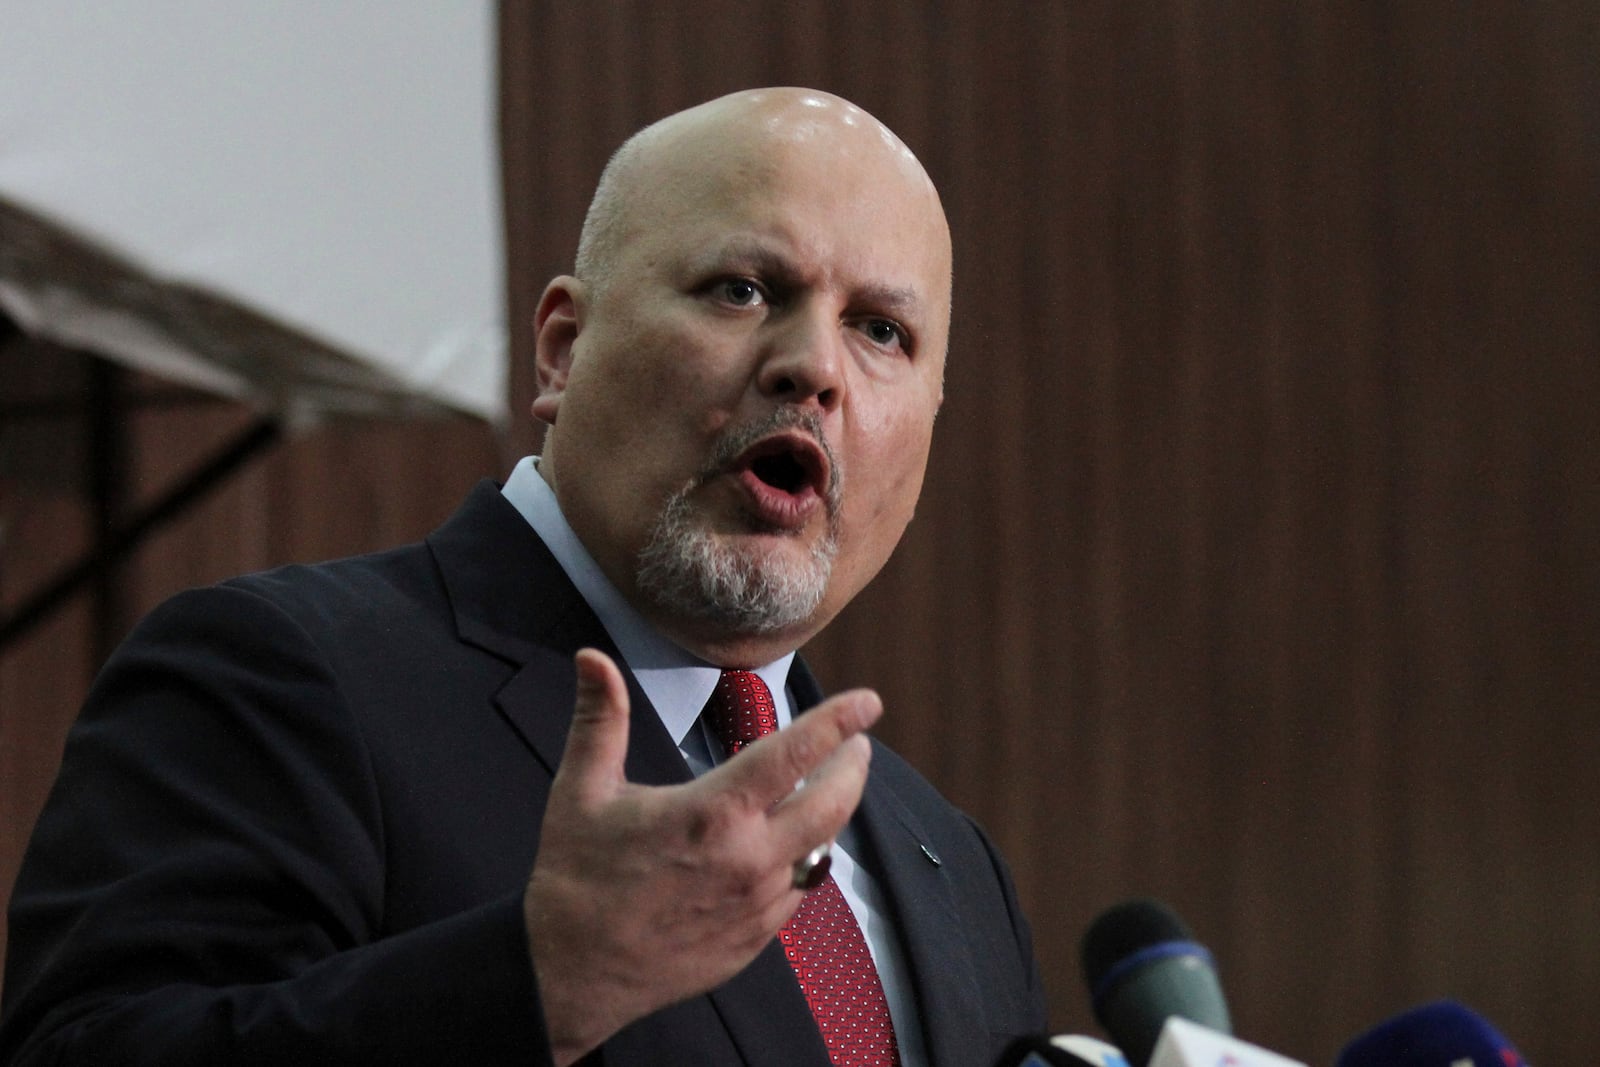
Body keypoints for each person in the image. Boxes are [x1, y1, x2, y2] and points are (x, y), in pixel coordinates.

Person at [0, 87, 1047, 1066]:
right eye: (742, 288)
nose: (814, 365)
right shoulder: (281, 677)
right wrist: (539, 979)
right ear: (562, 348)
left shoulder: (948, 864)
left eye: (881, 331)